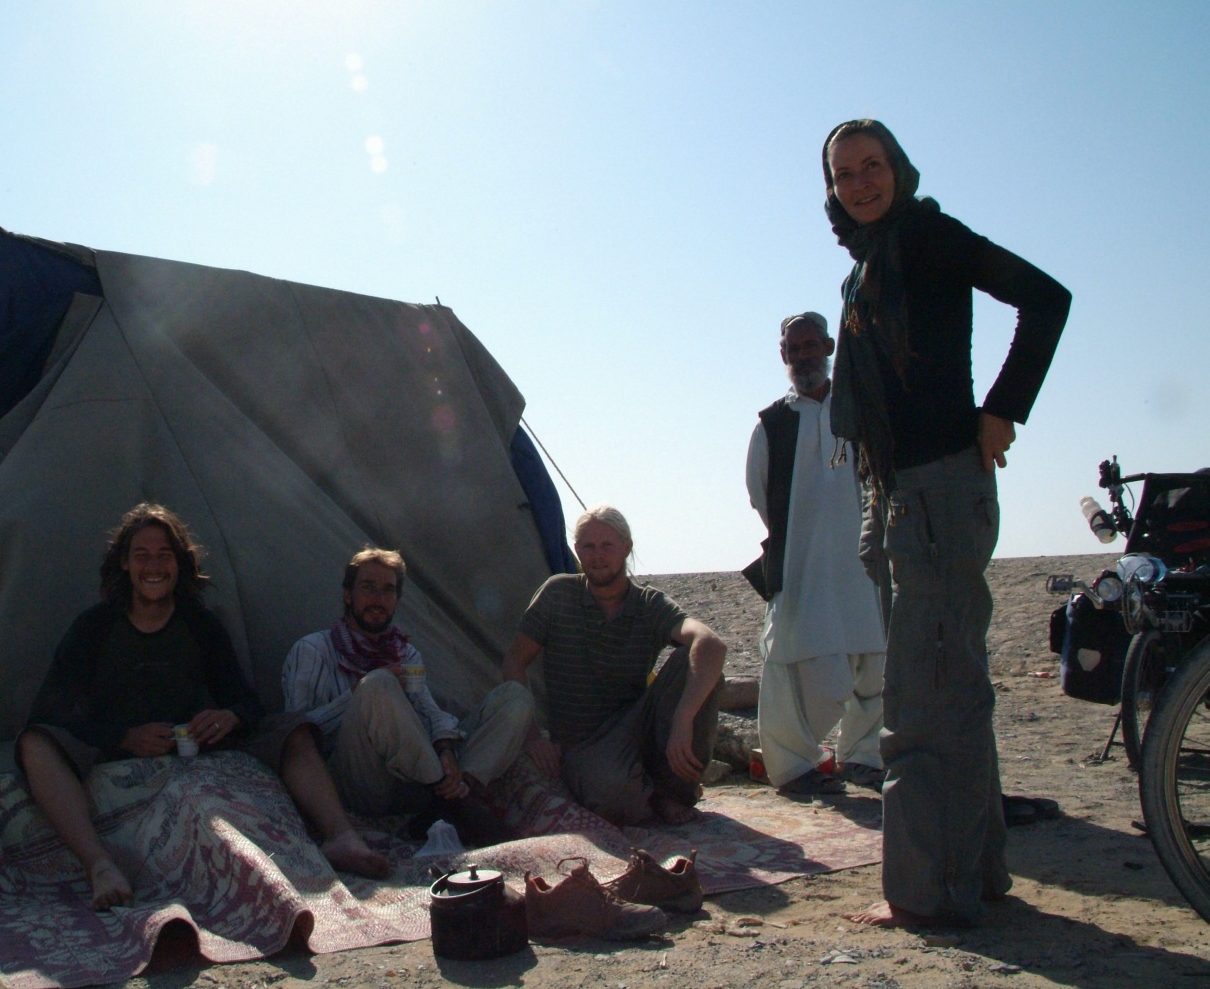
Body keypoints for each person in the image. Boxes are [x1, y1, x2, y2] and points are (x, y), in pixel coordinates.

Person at [819, 120, 1070, 927]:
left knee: (922, 705)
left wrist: (1002, 409)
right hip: (902, 494)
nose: (860, 183)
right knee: (951, 689)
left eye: (873, 166)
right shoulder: (870, 262)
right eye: (844, 173)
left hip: (938, 494)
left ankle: (929, 893)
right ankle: (978, 874)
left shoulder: (927, 237)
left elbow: (1046, 299)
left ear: (899, 168)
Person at [17, 504, 389, 910]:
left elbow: (244, 700)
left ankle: (340, 836)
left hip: (189, 743)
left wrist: (229, 716)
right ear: (125, 563)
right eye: (142, 555)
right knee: (35, 743)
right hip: (113, 746)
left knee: (293, 730)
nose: (153, 566)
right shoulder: (95, 627)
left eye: (164, 555)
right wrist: (122, 737)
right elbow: (50, 710)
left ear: (179, 564)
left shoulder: (199, 624)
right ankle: (100, 865)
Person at [281, 547, 533, 846]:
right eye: (368, 587)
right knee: (378, 684)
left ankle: (456, 790)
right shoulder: (314, 650)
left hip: (412, 783)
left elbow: (427, 709)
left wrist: (445, 749)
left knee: (515, 697)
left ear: (397, 600)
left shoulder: (405, 654)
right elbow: (295, 736)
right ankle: (457, 804)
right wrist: (358, 694)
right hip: (358, 781)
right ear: (348, 595)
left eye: (388, 590)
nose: (378, 599)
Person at [502, 506, 727, 827]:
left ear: (626, 548)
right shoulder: (557, 594)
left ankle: (674, 791)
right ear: (577, 550)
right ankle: (647, 791)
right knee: (616, 800)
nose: (598, 556)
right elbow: (514, 660)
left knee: (696, 662)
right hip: (583, 741)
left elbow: (711, 643)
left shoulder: (648, 604)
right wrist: (532, 736)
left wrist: (683, 718)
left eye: (607, 545)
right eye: (588, 546)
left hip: (636, 722)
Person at [744, 311, 888, 798]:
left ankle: (864, 757)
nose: (804, 356)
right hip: (802, 564)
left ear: (829, 348)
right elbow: (761, 495)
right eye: (794, 349)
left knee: (875, 660)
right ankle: (794, 767)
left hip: (867, 560)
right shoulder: (772, 424)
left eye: (811, 346)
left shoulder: (860, 411)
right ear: (783, 355)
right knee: (801, 664)